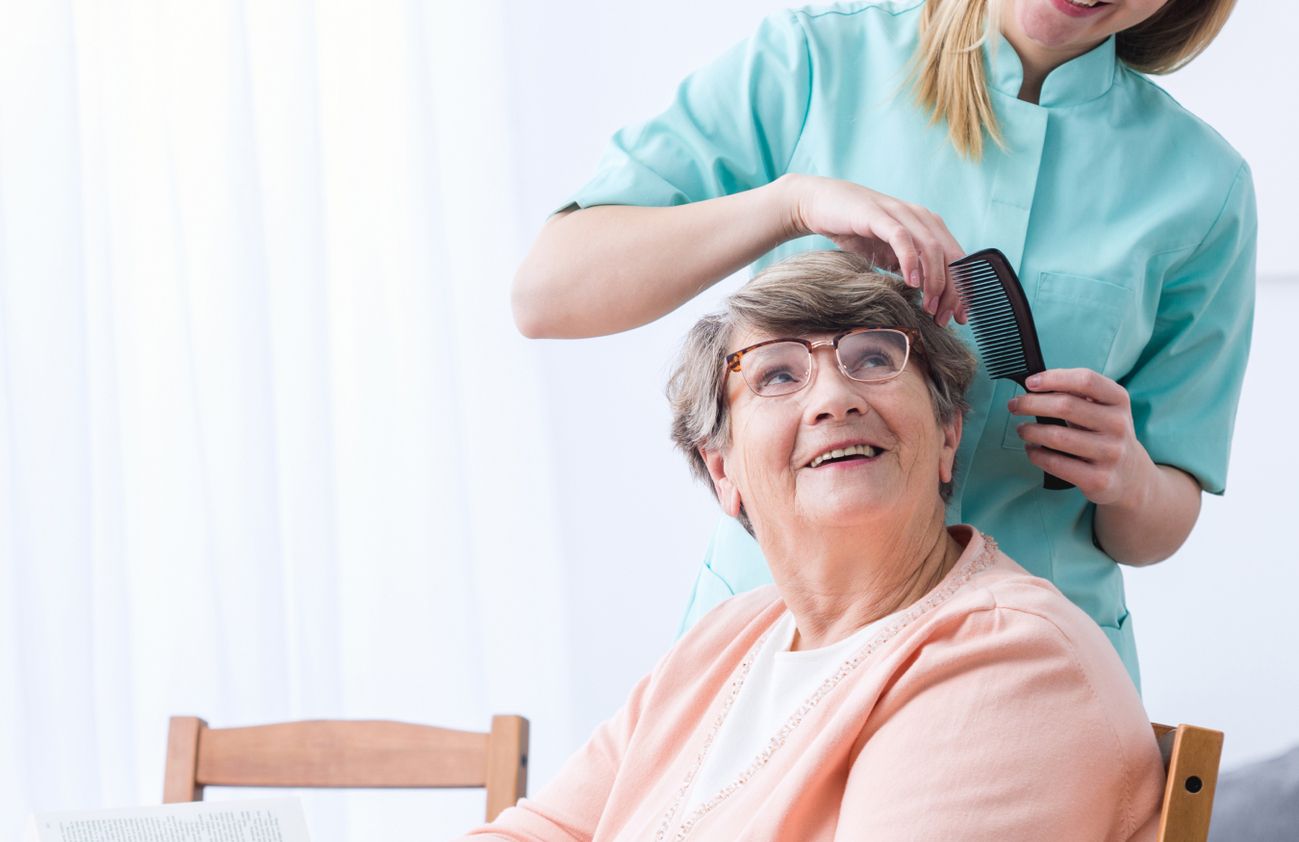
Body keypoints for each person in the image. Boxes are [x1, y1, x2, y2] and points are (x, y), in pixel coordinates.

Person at [513, 0, 1255, 688]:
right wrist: (789, 203)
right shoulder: (811, 64)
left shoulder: (1201, 185)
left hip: (1030, 667)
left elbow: (1160, 520)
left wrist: (1126, 476)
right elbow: (549, 292)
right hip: (783, 642)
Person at [463, 252, 1165, 840]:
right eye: (775, 375)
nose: (833, 397)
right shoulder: (729, 640)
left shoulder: (1006, 658)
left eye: (872, 359)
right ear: (722, 470)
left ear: (948, 433)